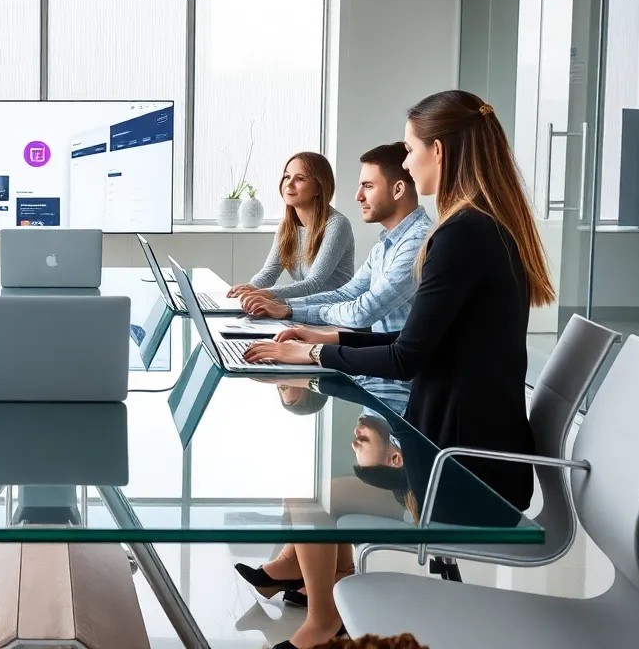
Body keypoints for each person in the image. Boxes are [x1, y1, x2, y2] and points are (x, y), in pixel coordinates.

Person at [239, 90, 553, 648]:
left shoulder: (460, 236)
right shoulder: (480, 227)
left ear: (438, 150)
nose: (404, 162)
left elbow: (407, 356)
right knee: (309, 481)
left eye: (409, 150)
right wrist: (317, 339)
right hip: (464, 451)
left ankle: (321, 621)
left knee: (307, 488)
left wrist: (312, 353)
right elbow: (413, 341)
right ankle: (326, 594)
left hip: (463, 473)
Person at [239, 143, 432, 333]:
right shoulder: (385, 245)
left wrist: (288, 309)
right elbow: (347, 294)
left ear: (398, 190)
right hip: (380, 347)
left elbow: (362, 311)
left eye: (368, 186)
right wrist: (284, 306)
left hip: (396, 356)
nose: (358, 196)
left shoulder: (417, 241)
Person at [227, 152, 356, 300]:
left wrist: (265, 294)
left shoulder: (337, 225)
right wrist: (250, 287)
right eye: (287, 176)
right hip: (303, 307)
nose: (289, 183)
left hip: (335, 312)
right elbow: (270, 272)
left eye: (300, 178)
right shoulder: (286, 226)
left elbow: (313, 283)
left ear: (319, 188)